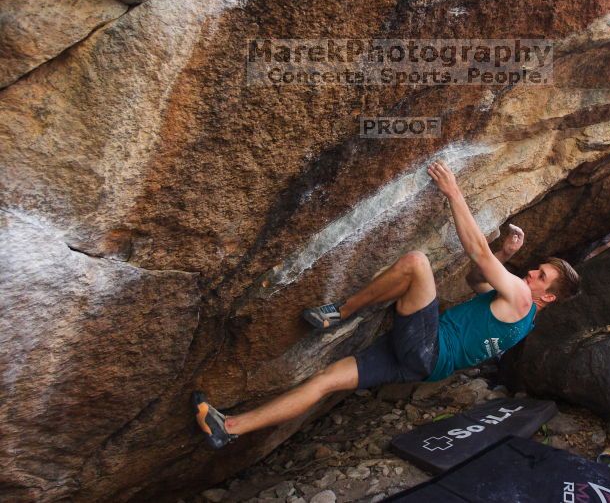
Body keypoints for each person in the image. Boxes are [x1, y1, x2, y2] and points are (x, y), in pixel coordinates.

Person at [193, 160, 580, 449]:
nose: (530, 273)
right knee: (325, 381)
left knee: (417, 264)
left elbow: (477, 256)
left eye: (540, 276)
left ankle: (340, 313)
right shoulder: (523, 319)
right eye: (536, 269)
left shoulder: (521, 296)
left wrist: (454, 193)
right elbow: (475, 281)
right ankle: (229, 428)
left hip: (426, 347)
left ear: (546, 297)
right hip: (421, 364)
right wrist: (505, 251)